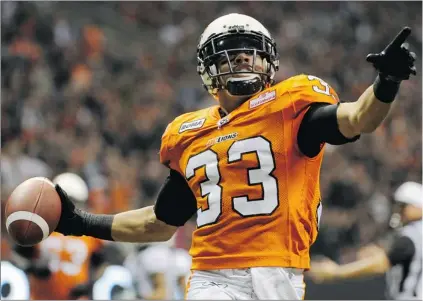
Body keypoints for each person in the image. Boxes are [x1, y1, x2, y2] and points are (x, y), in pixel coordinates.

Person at [51, 13, 417, 300]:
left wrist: (386, 83)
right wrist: (81, 223)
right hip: (213, 275)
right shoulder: (188, 134)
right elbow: (159, 223)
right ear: (208, 68)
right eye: (232, 49)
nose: (243, 56)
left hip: (279, 272)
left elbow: (358, 119)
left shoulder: (291, 107)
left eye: (252, 50)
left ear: (268, 62)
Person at [308, 181, 422, 300]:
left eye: (403, 206)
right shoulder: (415, 233)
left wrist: (337, 272)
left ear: (417, 207)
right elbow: (393, 253)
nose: (398, 210)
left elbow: (381, 263)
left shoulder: (412, 236)